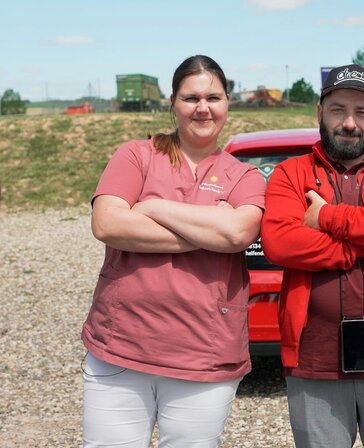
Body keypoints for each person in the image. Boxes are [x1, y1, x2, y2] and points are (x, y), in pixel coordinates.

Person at [80, 55, 265, 447]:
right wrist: (209, 229)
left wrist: (151, 208)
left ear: (227, 102)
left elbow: (237, 234)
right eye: (191, 98)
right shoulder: (137, 155)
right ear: (173, 103)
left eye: (213, 98)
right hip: (121, 349)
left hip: (204, 357)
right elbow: (108, 224)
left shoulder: (244, 176)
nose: (203, 108)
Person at [260, 64, 364, 448]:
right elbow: (279, 243)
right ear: (319, 112)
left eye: (361, 112)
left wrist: (325, 217)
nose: (349, 123)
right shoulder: (290, 174)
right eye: (338, 110)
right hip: (312, 362)